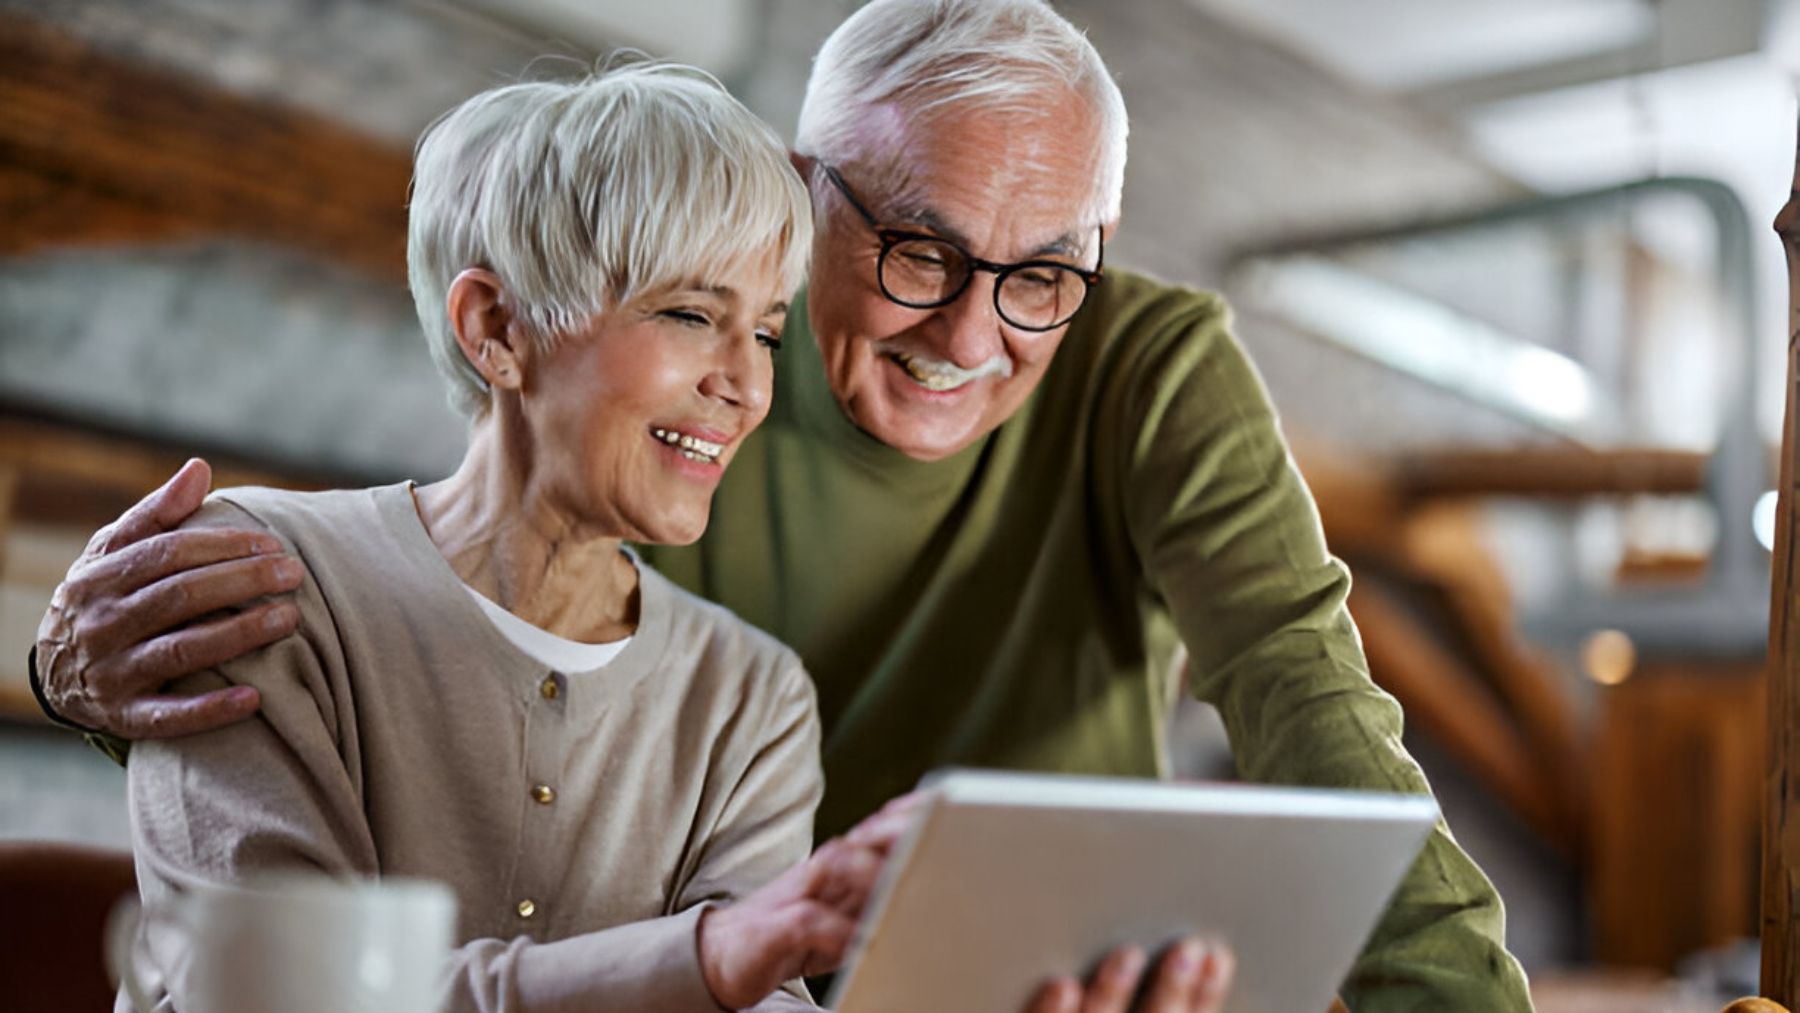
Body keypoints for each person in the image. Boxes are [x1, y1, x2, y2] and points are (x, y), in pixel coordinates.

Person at [36, 2, 1526, 1009]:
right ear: (811, 194)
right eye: (921, 254)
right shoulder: (654, 421)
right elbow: (449, 601)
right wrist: (83, 667)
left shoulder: (760, 676)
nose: (968, 337)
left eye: (1044, 276)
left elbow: (1313, 705)